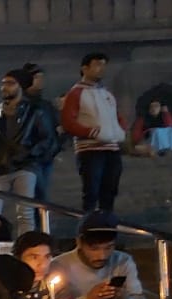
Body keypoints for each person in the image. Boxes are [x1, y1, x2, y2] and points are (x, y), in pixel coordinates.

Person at [0, 69, 54, 233]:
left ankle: (25, 247)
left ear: (20, 86)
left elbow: (47, 139)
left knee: (25, 213)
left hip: (26, 167)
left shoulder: (35, 113)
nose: (4, 87)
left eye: (10, 83)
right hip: (0, 169)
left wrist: (29, 154)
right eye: (3, 83)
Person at [49, 212, 148, 299]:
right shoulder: (60, 265)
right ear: (79, 243)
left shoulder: (123, 261)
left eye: (108, 248)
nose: (102, 256)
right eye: (94, 249)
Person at [62, 53, 126, 212]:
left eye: (103, 65)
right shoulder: (76, 93)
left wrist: (120, 130)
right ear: (85, 68)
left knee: (110, 192)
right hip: (90, 150)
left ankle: (107, 229)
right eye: (97, 65)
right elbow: (68, 121)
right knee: (91, 193)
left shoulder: (107, 94)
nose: (102, 69)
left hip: (112, 148)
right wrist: (90, 132)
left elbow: (116, 116)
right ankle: (88, 230)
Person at [22, 64, 62, 202]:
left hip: (46, 155)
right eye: (37, 77)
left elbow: (55, 127)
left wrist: (55, 146)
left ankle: (40, 222)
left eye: (41, 77)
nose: (41, 81)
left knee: (41, 194)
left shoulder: (46, 105)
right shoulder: (21, 104)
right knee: (37, 195)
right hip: (31, 158)